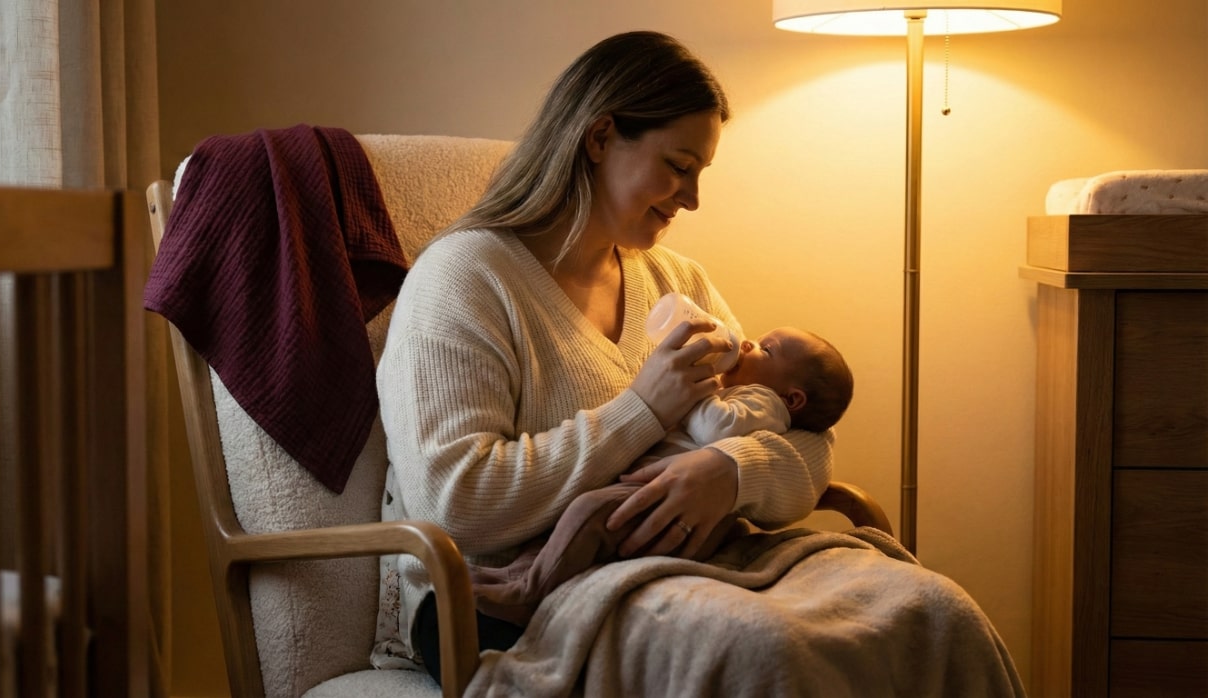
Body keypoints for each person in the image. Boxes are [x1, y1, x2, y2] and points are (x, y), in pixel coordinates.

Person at [374, 30, 1024, 695]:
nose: (691, 199)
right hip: (502, 598)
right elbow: (456, 503)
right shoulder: (463, 281)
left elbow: (805, 444)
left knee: (937, 613)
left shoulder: (676, 281)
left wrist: (731, 473)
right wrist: (641, 410)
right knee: (760, 649)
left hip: (697, 563)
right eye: (678, 166)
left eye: (699, 173)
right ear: (600, 138)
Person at [467, 326, 854, 626]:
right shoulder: (748, 389)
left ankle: (528, 595)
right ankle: (510, 579)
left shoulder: (761, 400)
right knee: (566, 524)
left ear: (793, 399)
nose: (748, 341)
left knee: (586, 511)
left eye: (766, 349)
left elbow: (724, 429)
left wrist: (729, 462)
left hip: (659, 502)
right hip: (641, 491)